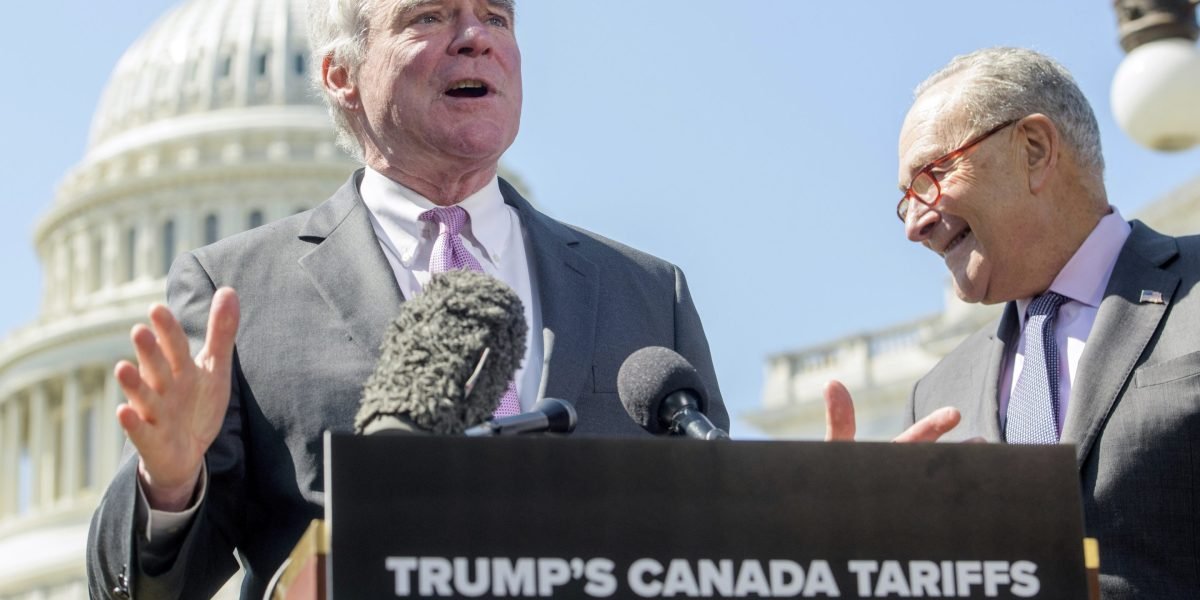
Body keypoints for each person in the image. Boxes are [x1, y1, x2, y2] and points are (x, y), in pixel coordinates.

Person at [86, 1, 728, 597]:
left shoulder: (646, 293)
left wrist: (786, 523)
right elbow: (141, 588)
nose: (475, 39)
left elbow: (721, 539)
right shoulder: (238, 291)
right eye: (429, 16)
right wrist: (170, 488)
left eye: (496, 18)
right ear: (342, 75)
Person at [826, 47, 1199, 599]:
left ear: (1034, 149)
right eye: (906, 201)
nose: (915, 225)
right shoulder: (935, 397)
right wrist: (862, 545)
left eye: (932, 176)